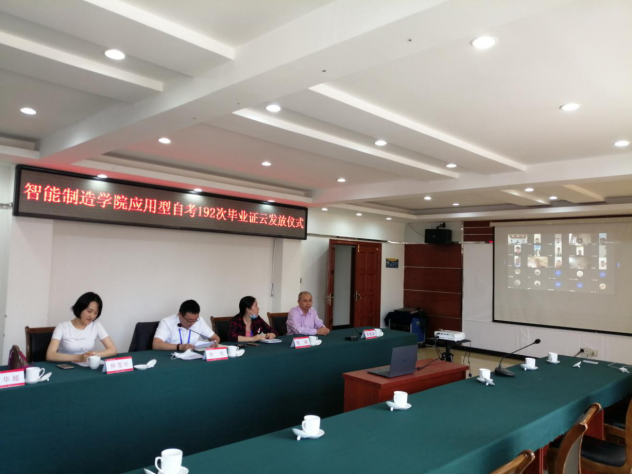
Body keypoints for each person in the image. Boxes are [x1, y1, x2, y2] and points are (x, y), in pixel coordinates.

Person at [46, 292, 117, 363]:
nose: (92, 316)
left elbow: (113, 350)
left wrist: (91, 355)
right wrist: (79, 357)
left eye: (95, 313)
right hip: (65, 365)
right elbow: (50, 355)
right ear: (80, 308)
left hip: (85, 365)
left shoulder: (96, 325)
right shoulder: (62, 327)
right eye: (89, 311)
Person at [153, 300, 220, 351]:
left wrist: (214, 343)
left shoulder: (199, 321)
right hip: (170, 356)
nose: (193, 323)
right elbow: (156, 344)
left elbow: (215, 337)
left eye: (195, 320)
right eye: (189, 320)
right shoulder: (167, 322)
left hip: (192, 357)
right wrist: (179, 347)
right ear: (180, 315)